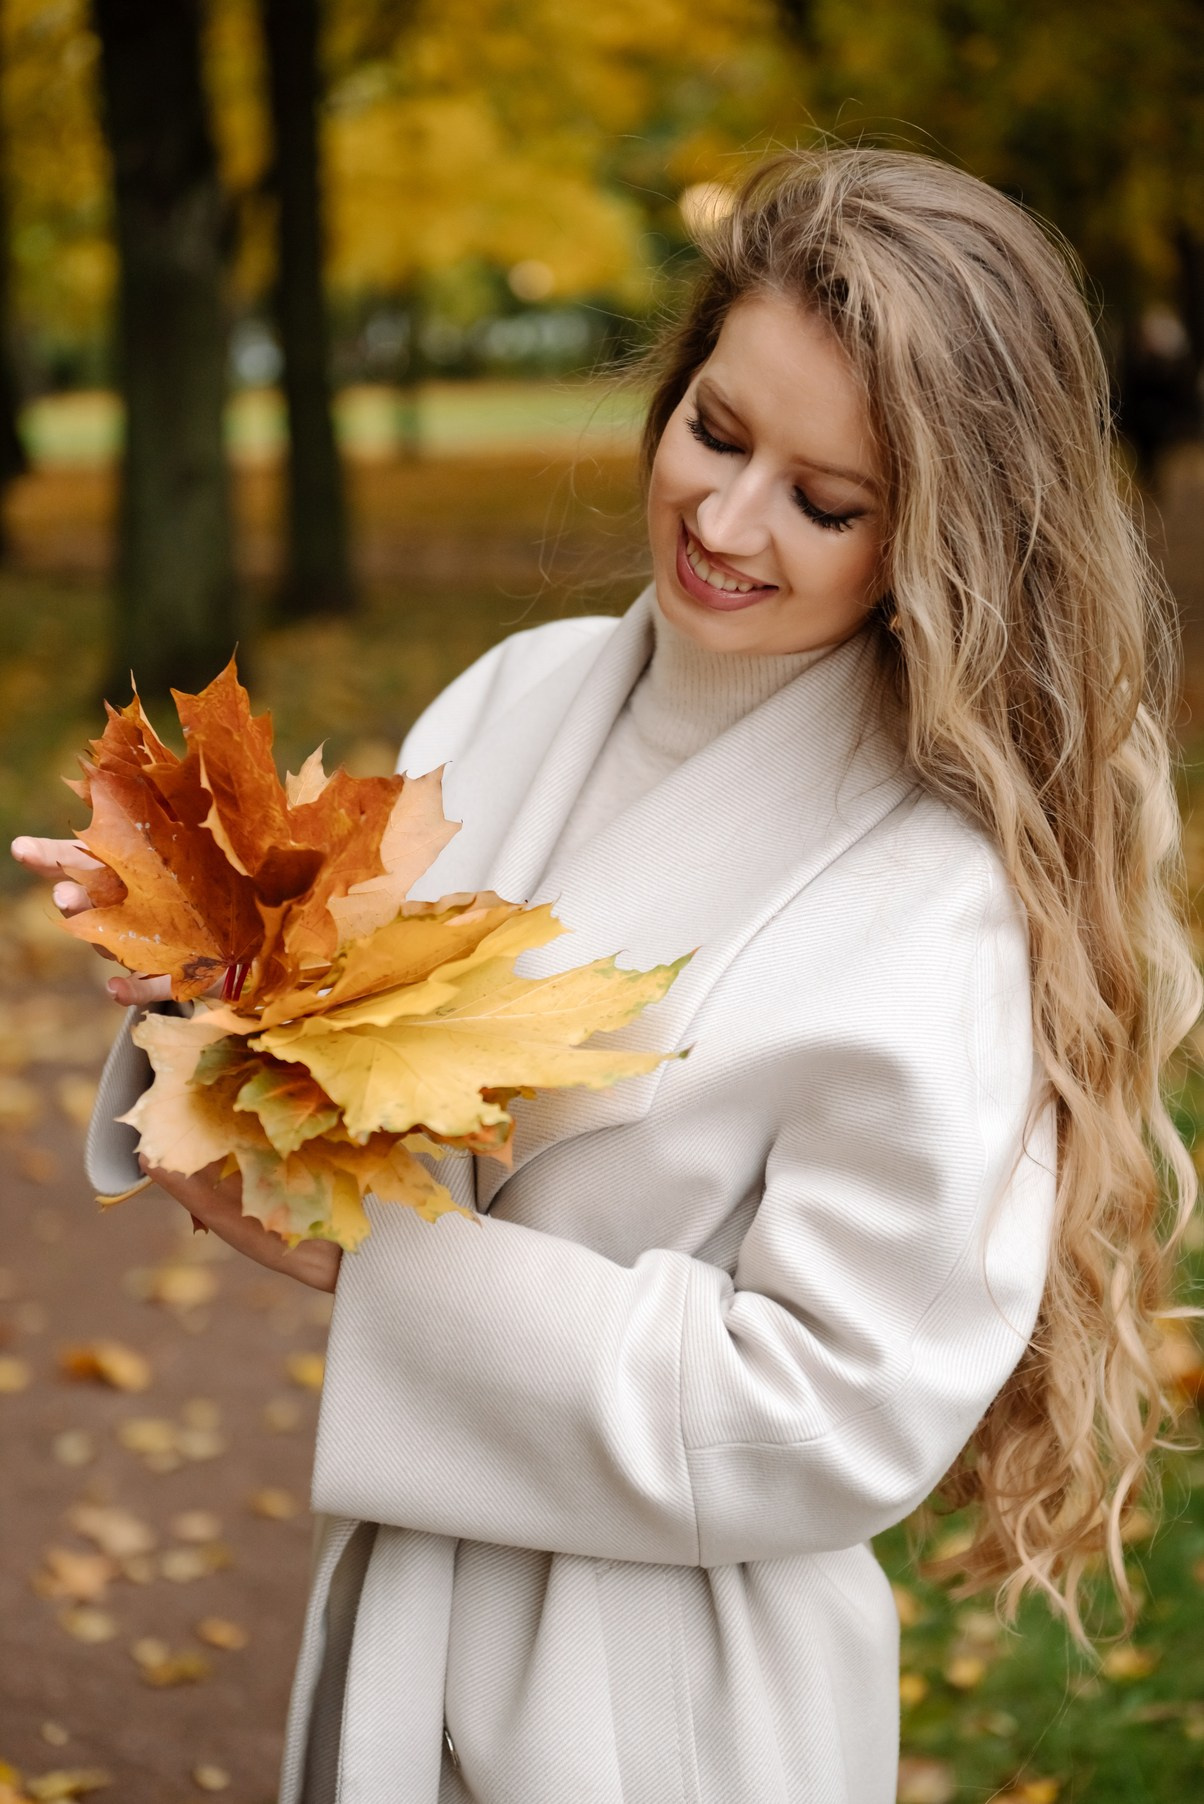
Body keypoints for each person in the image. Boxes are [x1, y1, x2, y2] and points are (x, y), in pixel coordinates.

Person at [13, 146, 1201, 1804]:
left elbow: (833, 1410)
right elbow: (367, 1068)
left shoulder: (945, 900)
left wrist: (374, 1271)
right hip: (402, 1596)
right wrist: (201, 975)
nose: (723, 521)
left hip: (668, 1703)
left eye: (825, 500)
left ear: (942, 534)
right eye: (717, 432)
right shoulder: (523, 694)